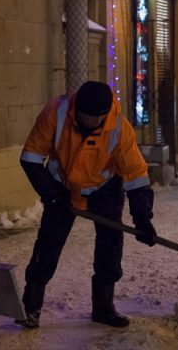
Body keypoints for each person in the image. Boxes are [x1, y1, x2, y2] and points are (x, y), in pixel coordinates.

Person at [16, 81, 157, 329]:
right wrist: (51, 194)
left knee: (110, 246)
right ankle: (31, 307)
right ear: (76, 109)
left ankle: (104, 307)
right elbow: (31, 157)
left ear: (105, 113)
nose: (91, 123)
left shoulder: (119, 128)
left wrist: (143, 218)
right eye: (86, 117)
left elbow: (135, 175)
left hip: (104, 188)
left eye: (97, 118)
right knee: (48, 244)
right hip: (62, 187)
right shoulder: (56, 112)